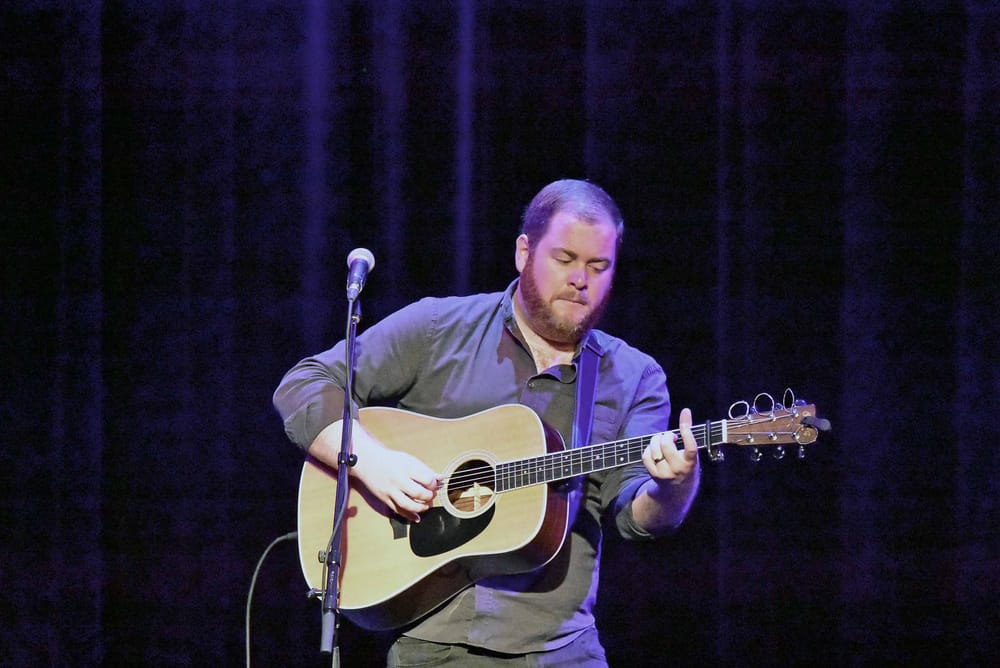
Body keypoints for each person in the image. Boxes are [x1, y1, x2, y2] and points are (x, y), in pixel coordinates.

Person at [273, 179, 700, 667]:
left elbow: (635, 515)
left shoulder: (635, 377)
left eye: (598, 266)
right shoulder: (439, 329)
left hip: (561, 648)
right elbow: (304, 384)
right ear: (524, 252)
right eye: (564, 259)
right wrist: (373, 462)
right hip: (432, 645)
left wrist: (674, 487)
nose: (581, 279)